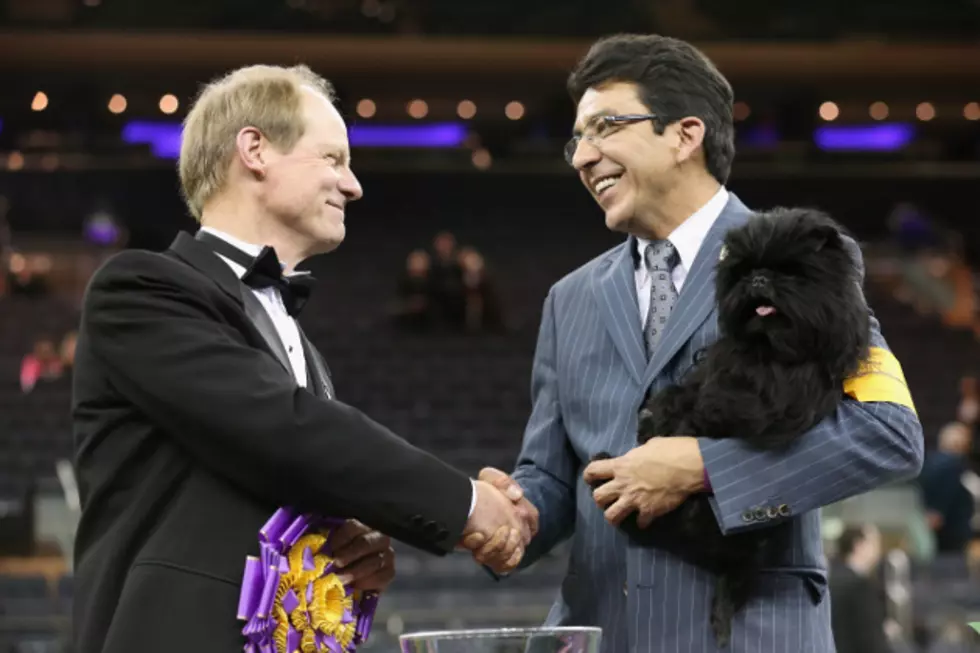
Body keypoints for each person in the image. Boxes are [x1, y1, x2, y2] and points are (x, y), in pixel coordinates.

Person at [476, 34, 924, 652]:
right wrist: (518, 514)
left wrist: (705, 470)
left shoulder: (803, 255)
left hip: (750, 635)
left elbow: (888, 435)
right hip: (606, 635)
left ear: (686, 135)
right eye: (576, 138)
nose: (583, 156)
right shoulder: (568, 299)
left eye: (605, 127)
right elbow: (553, 475)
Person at [70, 64, 533, 653]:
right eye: (334, 159)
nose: (354, 185)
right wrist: (466, 504)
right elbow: (282, 428)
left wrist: (343, 541)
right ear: (255, 150)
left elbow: (279, 472)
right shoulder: (139, 287)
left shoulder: (299, 341)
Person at [829, 525, 890, 653]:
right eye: (874, 543)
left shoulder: (829, 579)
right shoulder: (860, 586)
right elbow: (871, 639)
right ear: (859, 545)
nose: (878, 551)